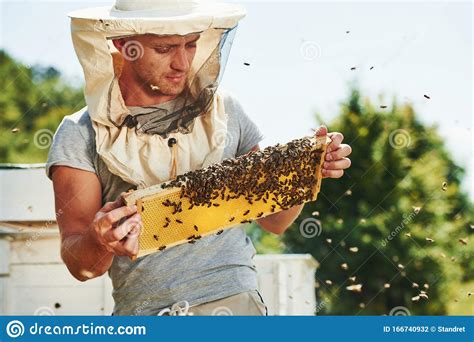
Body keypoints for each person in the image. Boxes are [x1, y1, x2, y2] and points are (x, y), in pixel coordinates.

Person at [46, 0, 352, 316]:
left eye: (191, 45)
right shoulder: (80, 132)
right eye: (165, 49)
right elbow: (80, 267)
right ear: (124, 45)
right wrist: (101, 240)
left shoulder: (226, 111)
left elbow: (273, 221)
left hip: (237, 308)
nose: (182, 63)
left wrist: (304, 171)